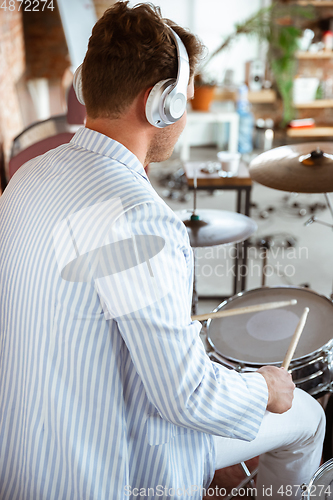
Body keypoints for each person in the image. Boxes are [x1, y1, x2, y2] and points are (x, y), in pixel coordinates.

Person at [0, 2, 325, 499]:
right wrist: (265, 387)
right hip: (107, 472)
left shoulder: (28, 176)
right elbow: (187, 396)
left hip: (21, 454)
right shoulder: (138, 219)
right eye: (186, 99)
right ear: (161, 103)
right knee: (307, 415)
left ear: (89, 86)